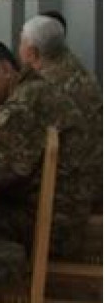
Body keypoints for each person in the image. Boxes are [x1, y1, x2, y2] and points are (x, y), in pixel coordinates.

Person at [0, 41, 94, 281]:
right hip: (63, 208)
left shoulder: (24, 102)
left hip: (55, 224)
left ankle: (9, 273)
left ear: (6, 69)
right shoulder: (32, 89)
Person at [18, 15, 103, 205]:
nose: (19, 47)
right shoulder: (71, 65)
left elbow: (21, 140)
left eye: (21, 41)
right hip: (92, 176)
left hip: (70, 190)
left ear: (31, 52)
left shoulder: (47, 84)